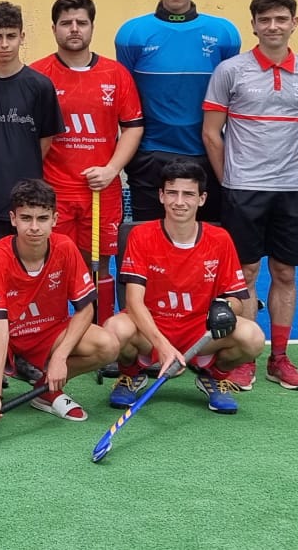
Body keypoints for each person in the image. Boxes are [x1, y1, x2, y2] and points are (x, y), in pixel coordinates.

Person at [202, 0, 298, 391]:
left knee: (285, 272)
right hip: (243, 190)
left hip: (291, 190)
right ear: (254, 25)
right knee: (246, 272)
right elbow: (211, 133)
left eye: (281, 19)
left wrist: (292, 170)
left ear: (294, 23)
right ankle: (248, 358)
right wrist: (232, 180)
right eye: (265, 20)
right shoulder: (230, 71)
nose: (273, 26)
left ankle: (280, 358)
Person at [103, 161, 265, 415]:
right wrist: (163, 346)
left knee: (253, 337)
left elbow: (237, 299)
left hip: (198, 332)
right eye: (172, 193)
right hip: (152, 328)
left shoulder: (220, 239)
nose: (179, 202)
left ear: (201, 199)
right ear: (161, 196)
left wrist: (224, 307)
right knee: (114, 329)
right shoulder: (142, 236)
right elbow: (134, 302)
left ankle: (214, 376)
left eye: (188, 194)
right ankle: (131, 375)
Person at [0, 0, 64, 388]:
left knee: (27, 278)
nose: (4, 44)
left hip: (28, 202)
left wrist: (20, 174)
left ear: (22, 37)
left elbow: (46, 139)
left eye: (11, 36)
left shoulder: (39, 85)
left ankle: (23, 351)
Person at [30, 0, 144, 327]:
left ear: (93, 26)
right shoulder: (39, 75)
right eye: (66, 23)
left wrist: (112, 170)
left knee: (99, 264)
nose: (74, 29)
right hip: (54, 191)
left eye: (81, 22)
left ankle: (103, 335)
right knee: (52, 264)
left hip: (101, 189)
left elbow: (133, 128)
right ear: (54, 29)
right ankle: (50, 334)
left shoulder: (116, 74)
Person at [0, 179, 122, 424]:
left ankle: (46, 389)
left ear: (55, 220)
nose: (34, 227)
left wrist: (60, 356)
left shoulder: (65, 247)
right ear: (13, 219)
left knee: (108, 345)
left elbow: (85, 309)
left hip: (48, 332)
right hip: (6, 333)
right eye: (26, 218)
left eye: (42, 218)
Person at [116, 0, 241, 224]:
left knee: (207, 241)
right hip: (150, 154)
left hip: (206, 154)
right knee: (147, 240)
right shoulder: (132, 34)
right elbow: (126, 99)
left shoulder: (225, 34)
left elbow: (230, 96)